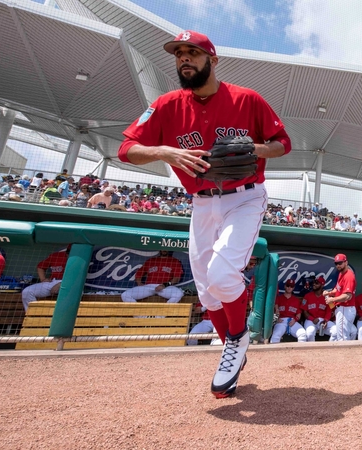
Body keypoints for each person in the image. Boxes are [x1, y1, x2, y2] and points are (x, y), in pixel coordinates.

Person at [117, 30, 291, 398]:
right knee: (207, 291)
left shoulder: (247, 98)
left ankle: (237, 341)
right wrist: (165, 151)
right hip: (201, 203)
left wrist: (253, 148)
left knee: (222, 272)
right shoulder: (165, 105)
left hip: (244, 197)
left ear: (212, 59)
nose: (184, 59)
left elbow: (282, 144)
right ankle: (233, 343)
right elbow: (126, 149)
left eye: (192, 53)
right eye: (179, 54)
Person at [20, 246, 70, 312]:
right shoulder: (56, 255)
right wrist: (43, 279)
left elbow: (79, 278)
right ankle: (33, 316)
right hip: (54, 281)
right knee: (27, 292)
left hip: (71, 284)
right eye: (68, 252)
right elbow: (40, 267)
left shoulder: (81, 259)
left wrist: (61, 284)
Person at [324, 253, 356, 341]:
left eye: (340, 263)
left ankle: (346, 355)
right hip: (342, 309)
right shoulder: (341, 274)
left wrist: (332, 299)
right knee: (340, 335)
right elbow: (337, 289)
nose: (338, 265)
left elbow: (347, 296)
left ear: (346, 262)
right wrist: (329, 293)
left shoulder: (349, 276)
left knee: (342, 337)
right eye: (336, 263)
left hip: (345, 308)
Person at [270, 279, 307, 343]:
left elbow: (299, 314)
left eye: (291, 286)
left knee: (303, 334)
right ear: (285, 286)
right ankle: (273, 352)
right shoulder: (278, 298)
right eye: (288, 285)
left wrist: (295, 319)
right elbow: (274, 311)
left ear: (293, 288)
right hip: (281, 321)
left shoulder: (296, 300)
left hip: (292, 320)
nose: (289, 287)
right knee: (276, 336)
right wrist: (276, 319)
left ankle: (300, 353)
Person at [301, 276, 334, 341]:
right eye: (314, 282)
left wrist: (325, 320)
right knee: (310, 333)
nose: (314, 284)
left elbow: (329, 311)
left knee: (336, 331)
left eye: (317, 283)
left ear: (322, 285)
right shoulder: (307, 296)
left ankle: (330, 350)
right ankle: (311, 350)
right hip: (310, 320)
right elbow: (304, 311)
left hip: (322, 320)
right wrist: (312, 319)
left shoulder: (328, 297)